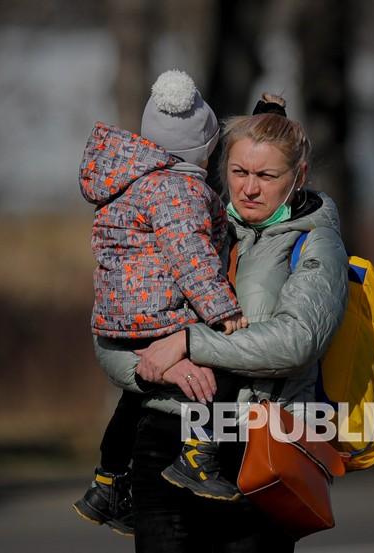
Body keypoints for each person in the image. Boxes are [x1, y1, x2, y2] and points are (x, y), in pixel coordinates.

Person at [94, 93, 350, 552]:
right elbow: (112, 332)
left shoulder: (317, 243)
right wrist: (159, 368)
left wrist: (189, 343)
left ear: (299, 176)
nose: (250, 188)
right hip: (161, 442)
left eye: (267, 176)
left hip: (257, 448)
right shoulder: (185, 220)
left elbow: (297, 341)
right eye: (240, 173)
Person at [73, 70, 250, 536]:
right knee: (214, 368)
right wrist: (222, 311)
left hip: (116, 312)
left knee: (134, 399)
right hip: (158, 309)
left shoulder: (130, 180)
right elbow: (189, 254)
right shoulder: (180, 190)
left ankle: (107, 482)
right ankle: (200, 454)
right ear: (201, 149)